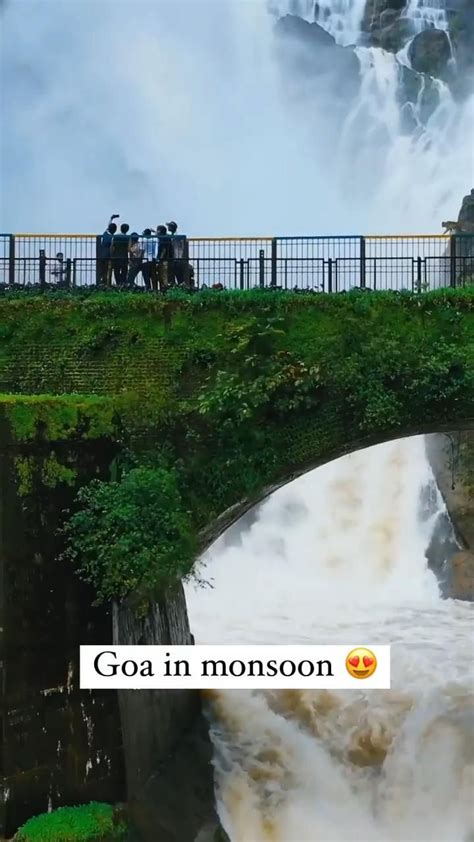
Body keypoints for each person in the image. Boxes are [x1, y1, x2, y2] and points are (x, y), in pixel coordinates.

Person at [167, 220, 193, 289]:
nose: (168, 228)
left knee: (178, 276)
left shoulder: (176, 236)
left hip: (177, 259)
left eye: (169, 226)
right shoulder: (174, 235)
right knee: (176, 275)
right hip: (177, 259)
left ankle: (181, 288)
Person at [97, 216, 119, 286]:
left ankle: (99, 283)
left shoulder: (105, 233)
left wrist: (111, 218)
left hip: (100, 255)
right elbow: (111, 248)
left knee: (101, 270)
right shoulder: (112, 238)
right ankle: (107, 284)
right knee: (107, 271)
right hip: (107, 256)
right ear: (115, 230)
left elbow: (108, 225)